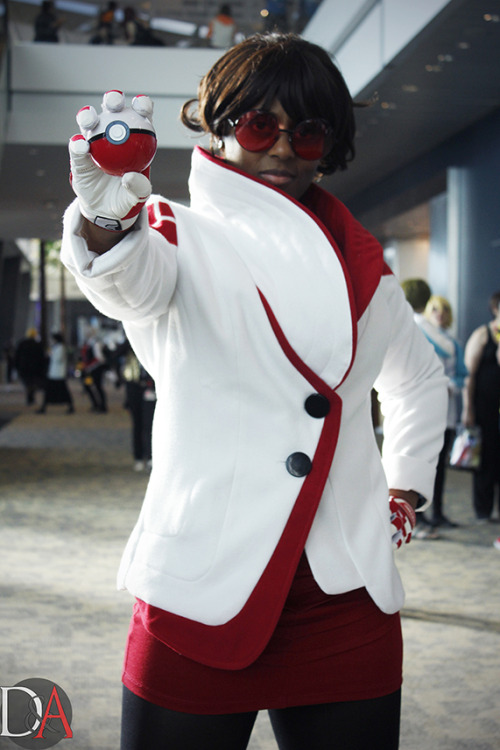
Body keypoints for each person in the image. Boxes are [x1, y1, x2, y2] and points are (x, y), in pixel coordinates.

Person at [61, 33, 447, 750]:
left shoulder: (364, 263)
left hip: (344, 599)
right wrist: (108, 219)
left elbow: (418, 379)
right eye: (257, 125)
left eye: (305, 133)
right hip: (199, 589)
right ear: (219, 126)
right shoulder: (175, 232)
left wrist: (406, 492)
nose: (278, 150)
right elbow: (126, 280)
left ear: (327, 146)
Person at [414, 296, 467, 534]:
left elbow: (462, 375)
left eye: (444, 310)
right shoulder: (420, 334)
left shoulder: (452, 342)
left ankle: (437, 513)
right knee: (423, 464)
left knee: (441, 466)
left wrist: (451, 386)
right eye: (434, 309)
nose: (439, 314)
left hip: (448, 409)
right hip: (426, 409)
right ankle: (419, 515)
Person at [462, 290, 500, 522]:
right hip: (484, 407)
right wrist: (468, 408)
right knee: (484, 458)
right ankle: (483, 510)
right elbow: (469, 375)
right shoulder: (482, 334)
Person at [121, 341, 156, 471]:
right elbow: (114, 355)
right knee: (137, 424)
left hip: (150, 387)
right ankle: (139, 457)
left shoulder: (152, 341)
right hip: (133, 387)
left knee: (150, 423)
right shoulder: (130, 342)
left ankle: (151, 456)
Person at [36, 332, 75, 414]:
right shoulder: (56, 347)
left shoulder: (61, 348)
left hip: (58, 373)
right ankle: (44, 407)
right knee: (51, 391)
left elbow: (58, 359)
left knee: (60, 391)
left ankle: (70, 406)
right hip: (54, 373)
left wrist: (50, 354)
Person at [14, 328, 47, 406]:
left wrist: (16, 366)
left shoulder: (22, 344)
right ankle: (31, 397)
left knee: (27, 383)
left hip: (24, 368)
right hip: (35, 369)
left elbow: (17, 356)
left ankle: (30, 397)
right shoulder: (38, 345)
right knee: (33, 383)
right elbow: (42, 358)